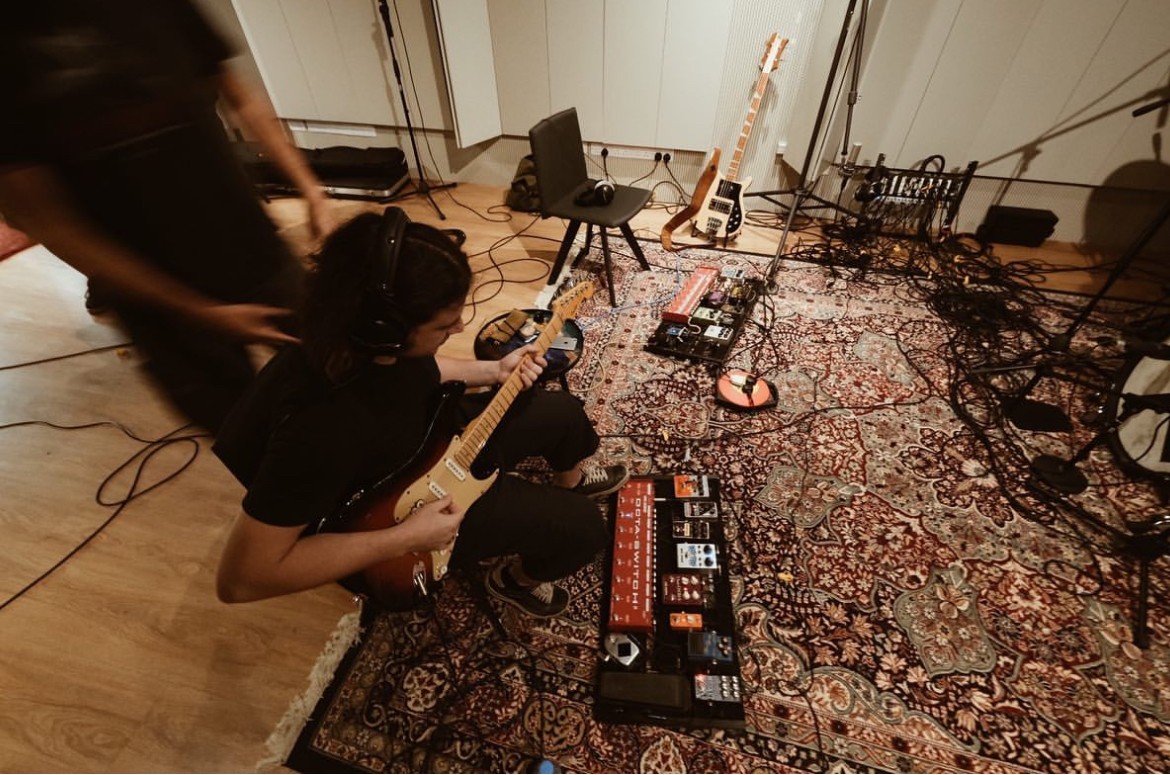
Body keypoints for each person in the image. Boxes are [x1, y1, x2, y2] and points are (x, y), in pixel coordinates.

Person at [212, 209, 628, 617]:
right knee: (582, 527)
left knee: (561, 411)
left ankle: (572, 481)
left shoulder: (357, 334)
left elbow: (421, 370)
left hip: (428, 435)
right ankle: (514, 581)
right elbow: (243, 579)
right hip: (403, 502)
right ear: (387, 331)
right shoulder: (319, 430)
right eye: (444, 326)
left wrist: (494, 371)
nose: (460, 329)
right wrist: (405, 538)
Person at [0, 0, 336, 433]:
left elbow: (239, 95)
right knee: (246, 433)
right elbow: (48, 221)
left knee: (341, 374)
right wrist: (201, 312)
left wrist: (311, 188)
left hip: (255, 253)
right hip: (159, 305)